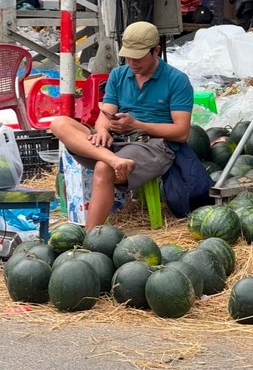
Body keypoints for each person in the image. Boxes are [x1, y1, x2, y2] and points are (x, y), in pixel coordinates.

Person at [51, 21, 194, 231]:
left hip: (152, 146)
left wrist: (137, 125)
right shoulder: (119, 75)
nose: (132, 62)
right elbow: (105, 114)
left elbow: (181, 133)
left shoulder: (177, 80)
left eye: (138, 57)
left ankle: (91, 239)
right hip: (116, 144)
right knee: (59, 123)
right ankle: (115, 160)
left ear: (156, 51)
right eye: (128, 56)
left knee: (103, 167)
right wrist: (102, 131)